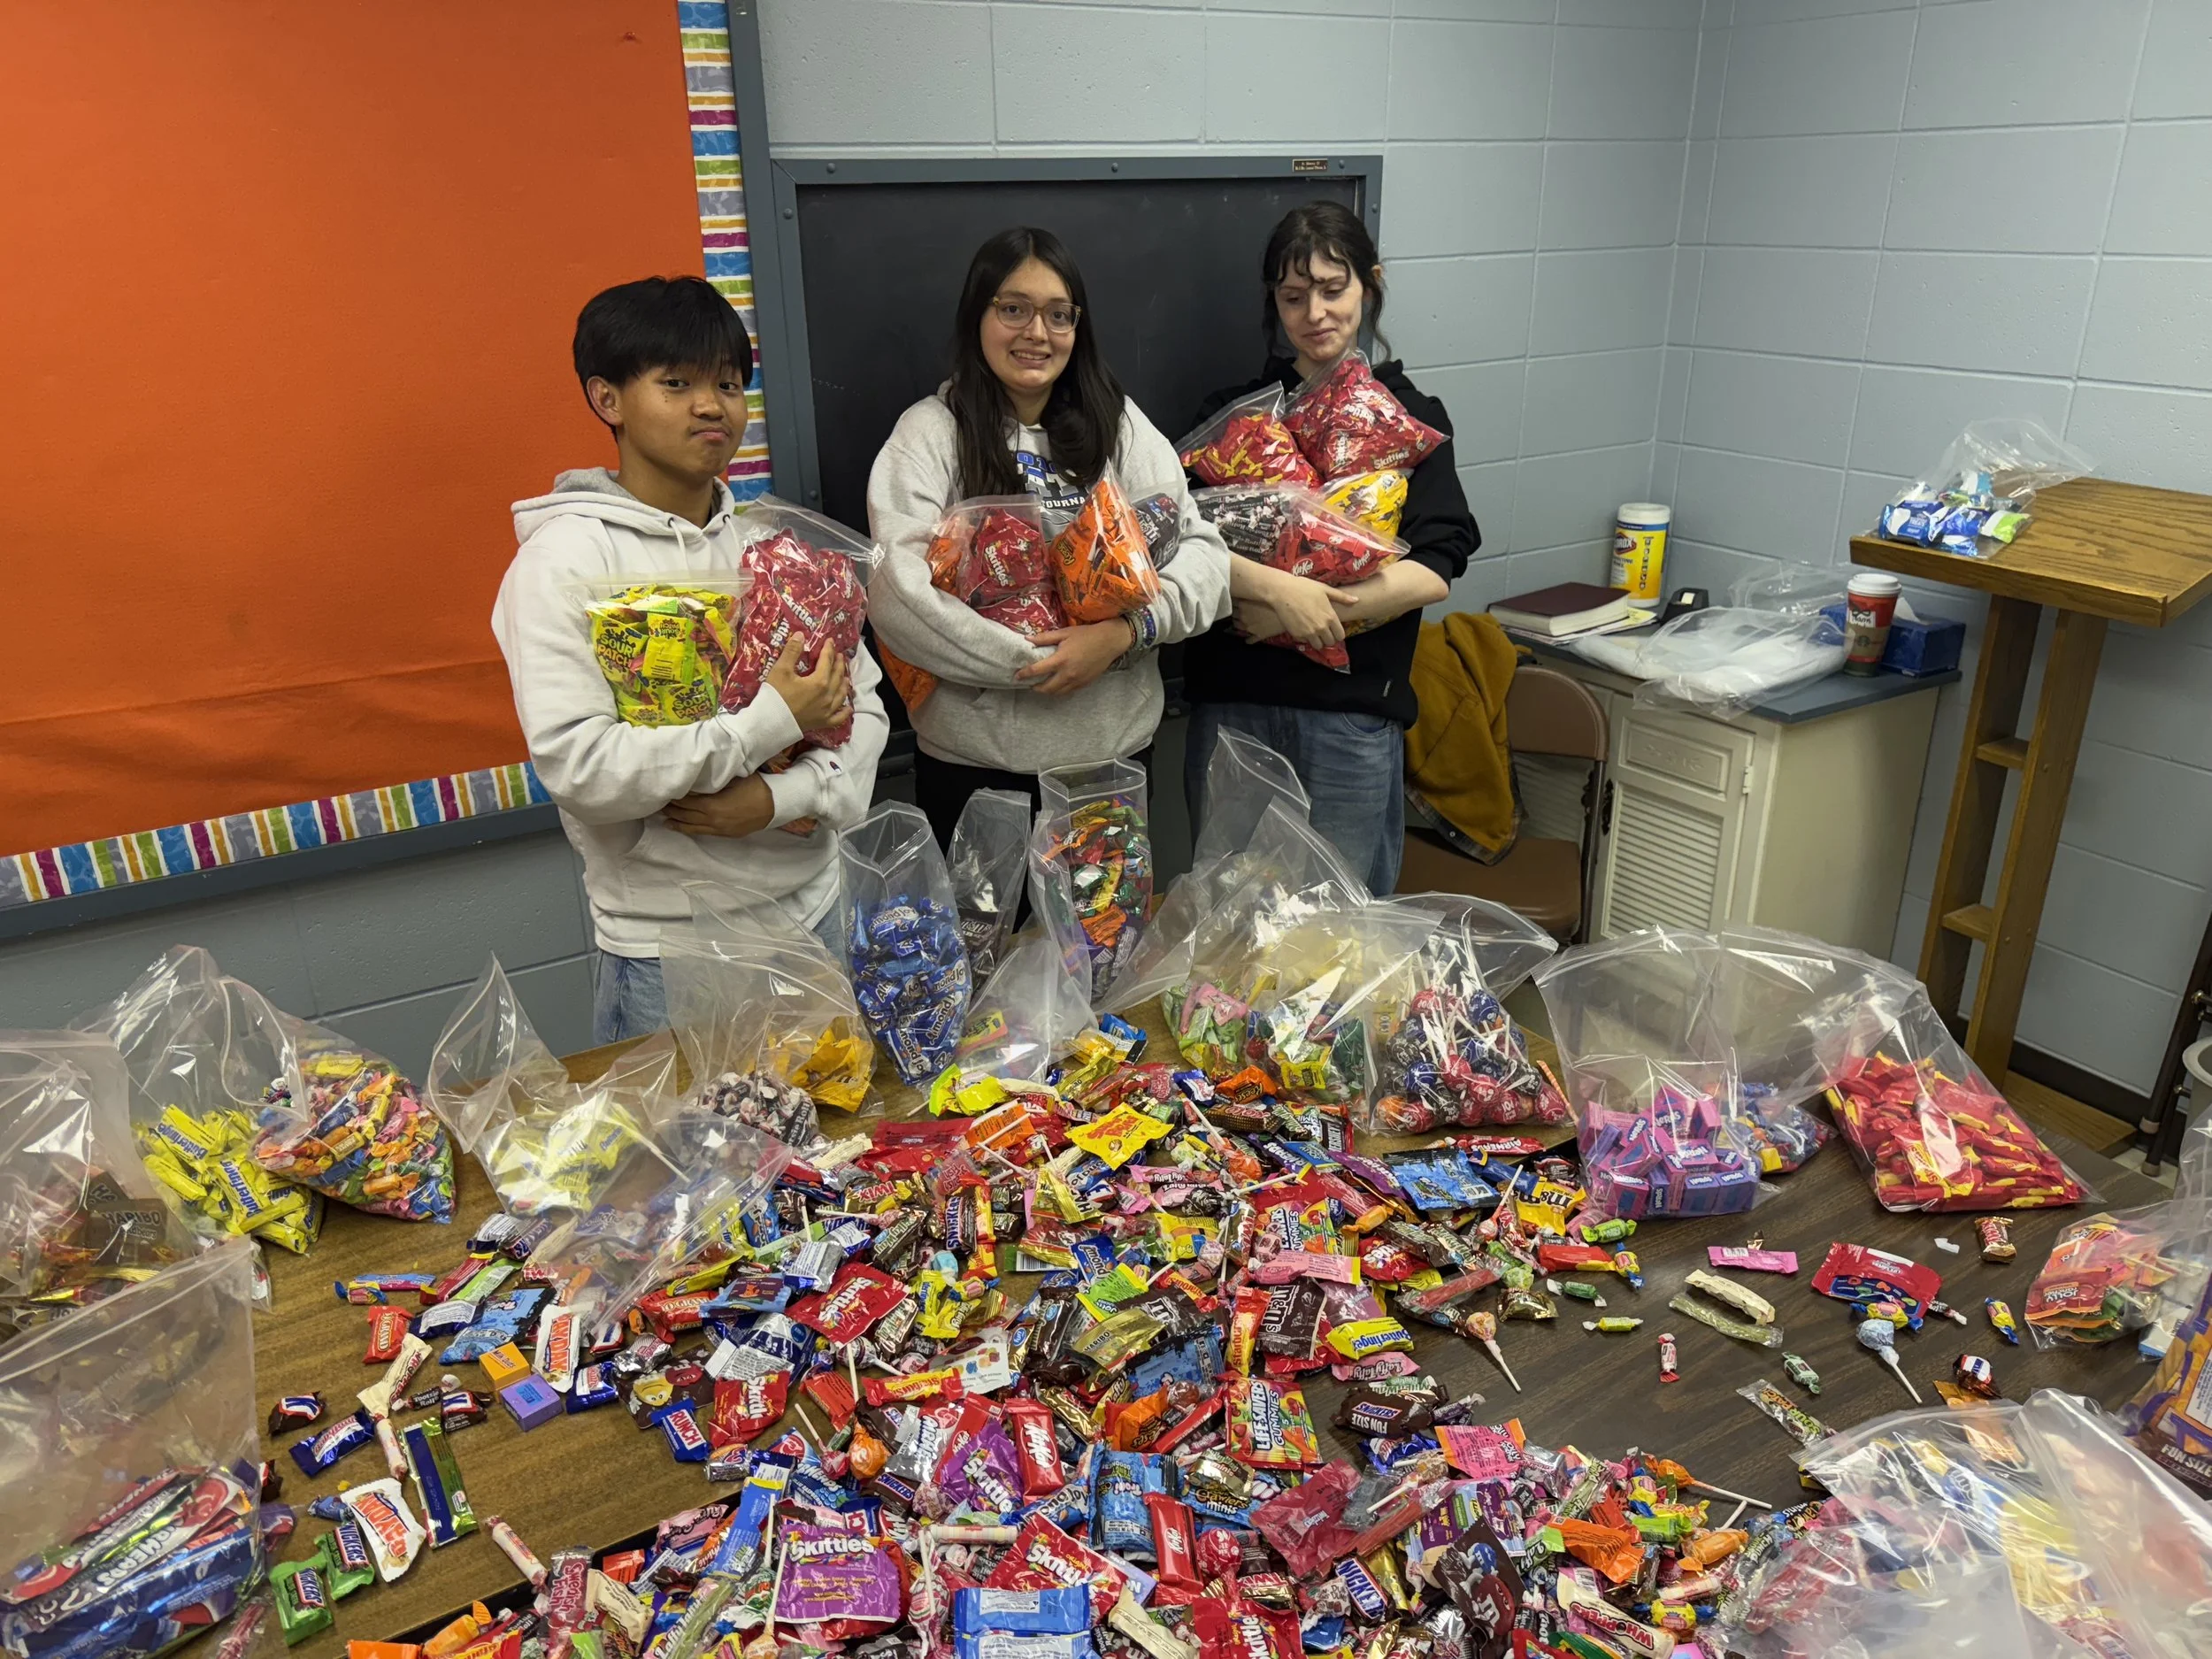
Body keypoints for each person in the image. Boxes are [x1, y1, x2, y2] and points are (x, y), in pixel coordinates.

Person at [492, 274, 887, 1043]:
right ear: (608, 398)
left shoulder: (776, 547)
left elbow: (864, 709)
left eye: (729, 385)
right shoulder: (564, 561)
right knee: (688, 1128)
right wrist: (765, 724)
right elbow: (581, 766)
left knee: (842, 1122)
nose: (712, 406)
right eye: (676, 384)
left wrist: (776, 799)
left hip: (817, 914)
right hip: (670, 954)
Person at [867, 227, 1231, 848]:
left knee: (1106, 921)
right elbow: (897, 595)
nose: (1037, 332)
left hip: (1111, 769)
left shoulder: (1119, 424)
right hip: (975, 775)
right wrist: (1044, 663)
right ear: (977, 315)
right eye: (1014, 309)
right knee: (986, 920)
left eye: (1059, 315)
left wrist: (1123, 635)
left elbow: (1205, 558)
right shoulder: (930, 434)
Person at [1181, 202, 1479, 895]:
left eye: (1332, 288)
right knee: (1228, 919)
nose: (1314, 313)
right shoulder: (1234, 420)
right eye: (1293, 296)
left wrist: (1299, 611)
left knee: (1342, 929)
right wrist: (1276, 587)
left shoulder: (1410, 417)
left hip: (1353, 715)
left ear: (1370, 285)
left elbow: (1435, 567)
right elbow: (1180, 538)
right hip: (1235, 707)